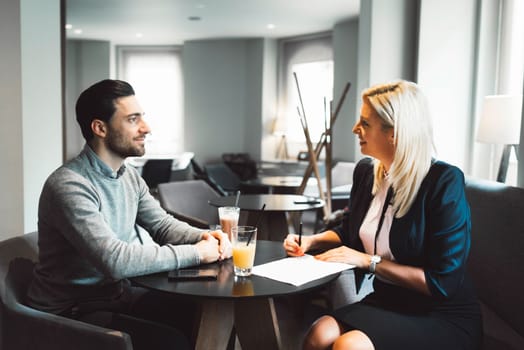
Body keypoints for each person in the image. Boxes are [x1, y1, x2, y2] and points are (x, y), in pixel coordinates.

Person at [27, 79, 232, 349]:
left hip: (115, 296)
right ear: (100, 128)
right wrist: (196, 253)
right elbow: (115, 261)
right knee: (172, 342)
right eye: (133, 119)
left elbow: (162, 225)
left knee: (210, 314)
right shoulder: (69, 185)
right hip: (70, 312)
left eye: (142, 118)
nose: (146, 128)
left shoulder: (128, 176)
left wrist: (206, 236)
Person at [283, 80, 482, 350]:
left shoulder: (443, 182)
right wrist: (311, 241)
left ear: (395, 133)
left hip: (440, 312)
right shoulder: (367, 173)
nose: (355, 129)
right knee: (319, 333)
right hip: (389, 300)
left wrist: (369, 261)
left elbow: (441, 282)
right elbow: (352, 231)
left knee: (349, 345)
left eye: (365, 123)